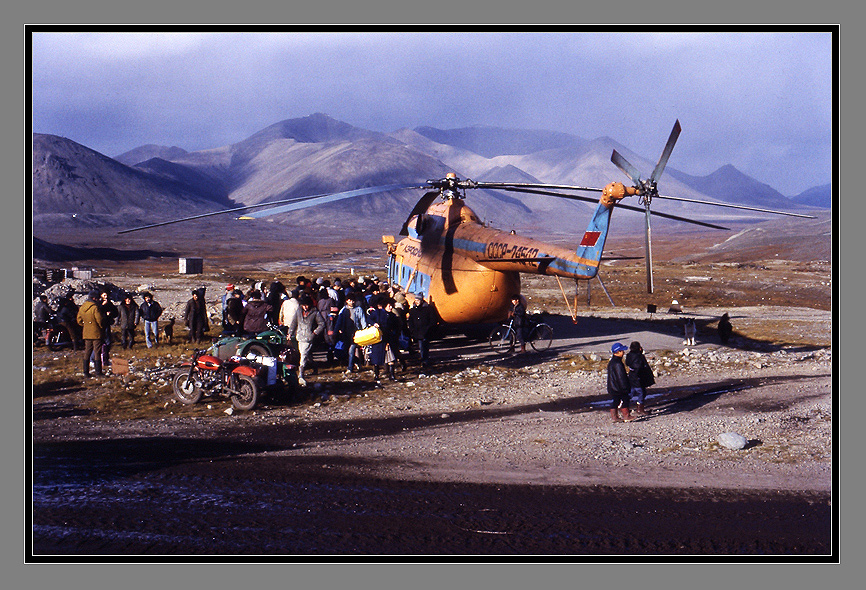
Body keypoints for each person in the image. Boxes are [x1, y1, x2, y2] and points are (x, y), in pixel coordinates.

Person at [289, 295, 325, 386]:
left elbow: (322, 324)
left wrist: (314, 333)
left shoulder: (315, 313)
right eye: (303, 305)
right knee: (305, 354)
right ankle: (314, 366)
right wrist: (290, 333)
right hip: (300, 336)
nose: (305, 307)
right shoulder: (298, 311)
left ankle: (301, 375)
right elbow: (294, 322)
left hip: (309, 338)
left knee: (303, 355)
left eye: (307, 305)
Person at [335, 293, 367, 373]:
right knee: (346, 351)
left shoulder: (358, 309)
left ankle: (350, 368)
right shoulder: (343, 310)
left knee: (351, 350)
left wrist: (364, 330)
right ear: (347, 301)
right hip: (345, 333)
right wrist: (336, 330)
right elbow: (339, 321)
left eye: (352, 300)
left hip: (355, 333)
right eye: (349, 300)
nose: (351, 302)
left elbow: (362, 320)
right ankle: (357, 361)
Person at [76, 290, 105, 377]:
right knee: (97, 352)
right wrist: (102, 327)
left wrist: (85, 326)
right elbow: (99, 320)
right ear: (94, 298)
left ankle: (85, 372)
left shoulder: (82, 307)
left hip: (86, 332)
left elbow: (79, 320)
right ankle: (98, 372)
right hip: (96, 333)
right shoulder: (95, 308)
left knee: (87, 352)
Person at [607, 342, 636, 422]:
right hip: (619, 387)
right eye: (622, 351)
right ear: (618, 352)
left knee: (615, 401)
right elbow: (621, 377)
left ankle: (614, 417)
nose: (623, 352)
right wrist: (626, 387)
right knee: (625, 400)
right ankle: (626, 416)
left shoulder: (612, 361)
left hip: (613, 387)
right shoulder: (618, 363)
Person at [407, 292, 437, 367]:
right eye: (416, 300)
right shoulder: (413, 310)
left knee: (424, 346)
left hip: (426, 330)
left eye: (418, 300)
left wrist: (429, 328)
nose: (416, 302)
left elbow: (432, 319)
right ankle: (424, 359)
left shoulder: (428, 308)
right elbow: (411, 321)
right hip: (417, 331)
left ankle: (424, 360)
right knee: (421, 346)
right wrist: (412, 330)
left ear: (421, 300)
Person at [625, 341, 654, 416]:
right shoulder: (638, 356)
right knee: (641, 393)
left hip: (632, 376)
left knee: (631, 392)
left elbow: (627, 363)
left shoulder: (629, 355)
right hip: (638, 378)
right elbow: (638, 367)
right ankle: (640, 408)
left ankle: (624, 405)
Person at [97, 289, 118, 366]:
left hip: (107, 324)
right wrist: (102, 306)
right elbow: (97, 312)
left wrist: (111, 313)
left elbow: (116, 312)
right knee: (101, 342)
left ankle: (106, 358)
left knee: (108, 342)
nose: (105, 297)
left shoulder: (110, 303)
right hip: (101, 324)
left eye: (106, 295)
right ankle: (100, 359)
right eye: (104, 295)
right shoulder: (98, 303)